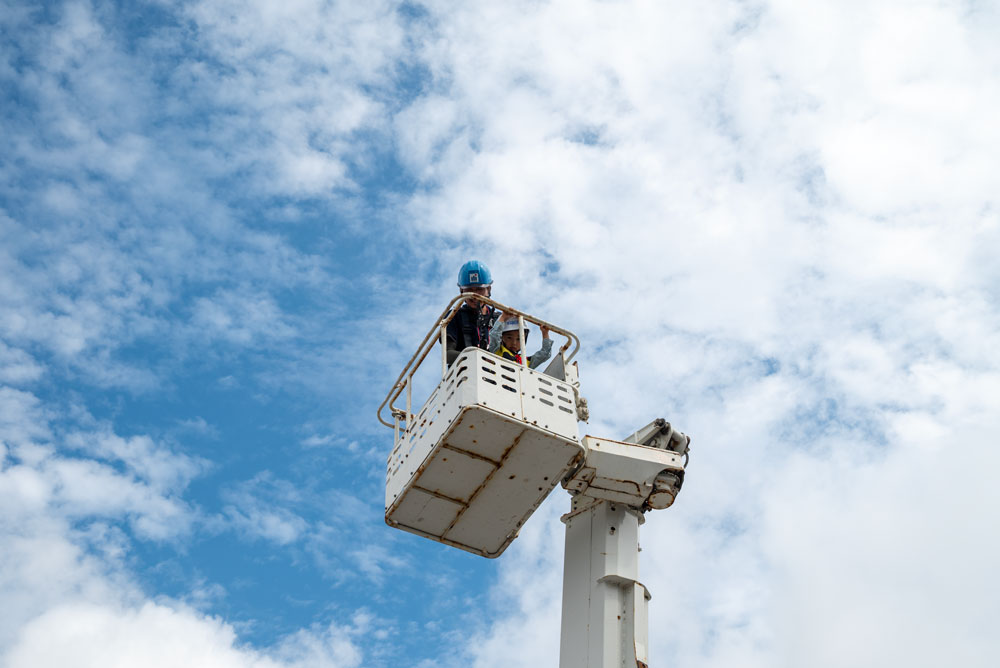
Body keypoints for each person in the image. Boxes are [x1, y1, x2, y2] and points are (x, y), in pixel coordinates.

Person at [446, 260, 499, 364]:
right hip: (466, 370)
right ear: (461, 291)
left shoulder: (499, 318)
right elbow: (448, 354)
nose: (474, 295)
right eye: (469, 289)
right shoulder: (454, 316)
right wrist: (478, 358)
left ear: (488, 289)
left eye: (479, 289)